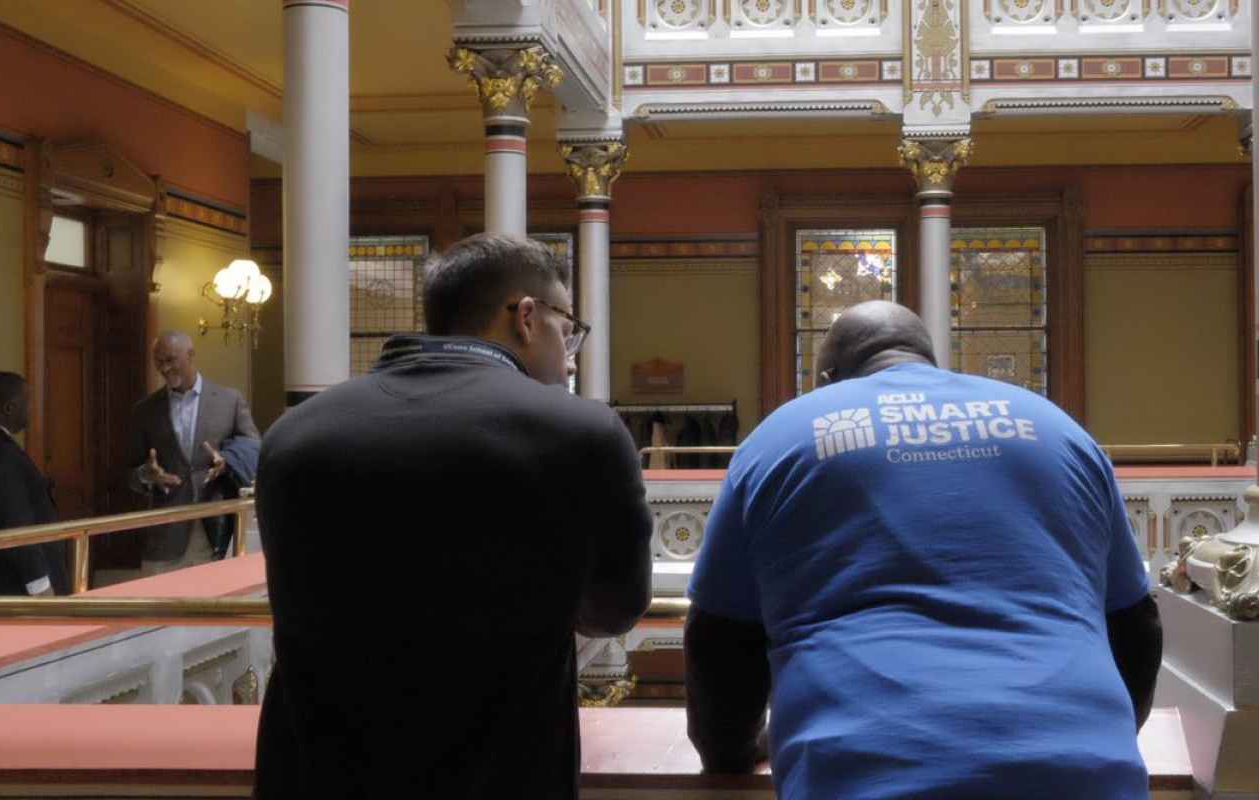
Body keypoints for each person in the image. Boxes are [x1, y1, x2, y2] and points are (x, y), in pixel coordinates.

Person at [684, 300, 1163, 800]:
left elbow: (720, 640)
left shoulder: (778, 439)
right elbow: (1135, 624)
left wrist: (730, 758)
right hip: (1085, 770)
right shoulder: (1058, 428)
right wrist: (1099, 740)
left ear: (828, 378)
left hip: (859, 772)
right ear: (931, 358)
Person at [254, 233, 652, 799]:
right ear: (527, 317)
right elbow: (614, 610)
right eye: (569, 331)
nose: (569, 355)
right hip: (501, 776)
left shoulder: (295, 434)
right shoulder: (580, 433)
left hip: (317, 777)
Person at [123, 331, 259, 575]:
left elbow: (254, 447)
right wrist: (146, 475)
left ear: (191, 355)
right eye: (159, 361)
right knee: (159, 611)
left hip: (217, 530)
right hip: (165, 537)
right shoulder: (144, 411)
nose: (164, 368)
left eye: (171, 360)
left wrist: (227, 461)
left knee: (215, 610)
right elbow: (129, 474)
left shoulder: (229, 400)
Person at [0, 372, 69, 596]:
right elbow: (13, 523)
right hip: (8, 586)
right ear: (9, 408)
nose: (32, 409)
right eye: (28, 403)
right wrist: (41, 587)